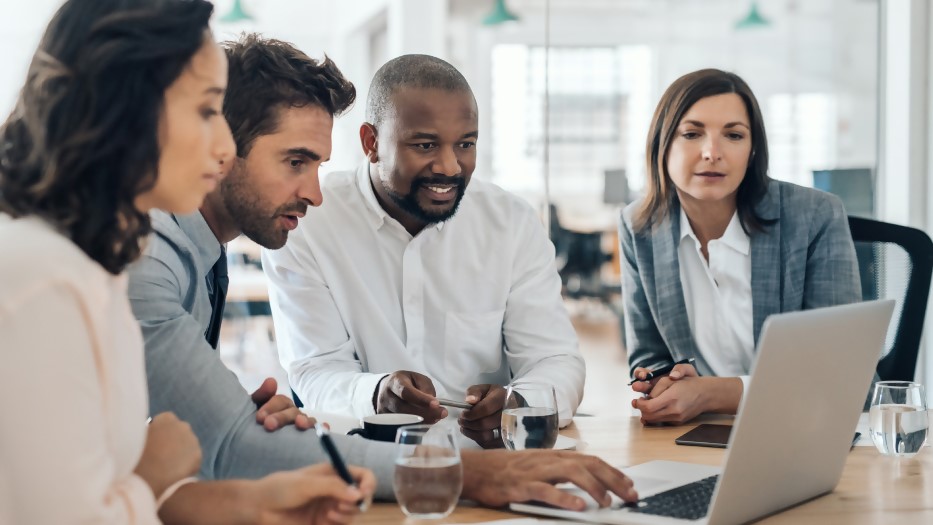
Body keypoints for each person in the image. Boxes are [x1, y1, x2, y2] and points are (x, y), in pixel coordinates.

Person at [127, 35, 638, 510]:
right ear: (218, 145)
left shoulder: (197, 252)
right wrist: (468, 474)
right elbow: (235, 442)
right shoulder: (148, 259)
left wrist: (246, 420)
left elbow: (206, 436)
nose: (314, 194)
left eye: (465, 144)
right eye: (295, 162)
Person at [0, 1, 375, 523]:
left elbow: (90, 483)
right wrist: (152, 469)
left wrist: (253, 502)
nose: (223, 147)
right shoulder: (45, 282)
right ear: (127, 109)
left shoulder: (91, 268)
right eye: (205, 111)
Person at [262, 54, 585, 449]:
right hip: (369, 462)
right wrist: (376, 393)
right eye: (425, 144)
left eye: (465, 144)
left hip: (492, 463)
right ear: (371, 143)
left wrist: (519, 404)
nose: (450, 166)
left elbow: (556, 361)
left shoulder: (511, 223)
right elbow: (315, 370)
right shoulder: (310, 221)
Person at [619, 68, 861, 425]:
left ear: (752, 151)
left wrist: (711, 393)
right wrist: (662, 382)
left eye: (733, 135)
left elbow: (835, 368)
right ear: (662, 144)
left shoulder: (814, 216)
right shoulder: (639, 226)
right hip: (696, 432)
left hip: (804, 426)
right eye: (691, 133)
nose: (712, 152)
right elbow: (649, 356)